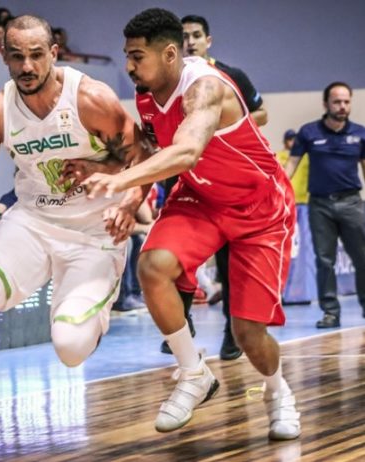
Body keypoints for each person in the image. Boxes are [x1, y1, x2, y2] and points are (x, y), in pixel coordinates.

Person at [0, 14, 148, 461]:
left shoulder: (92, 99)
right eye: (16, 56)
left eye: (36, 55)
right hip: (33, 222)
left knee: (71, 349)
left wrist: (127, 199)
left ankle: (91, 316)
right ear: (4, 57)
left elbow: (142, 156)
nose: (27, 66)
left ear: (53, 53)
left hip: (93, 230)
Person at [82, 8, 300, 440]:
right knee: (152, 266)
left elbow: (184, 153)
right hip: (200, 198)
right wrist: (132, 199)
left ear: (168, 54)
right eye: (126, 55)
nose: (128, 66)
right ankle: (193, 372)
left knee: (247, 332)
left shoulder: (205, 89)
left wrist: (117, 180)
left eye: (136, 56)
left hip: (258, 208)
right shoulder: (147, 93)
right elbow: (150, 152)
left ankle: (277, 391)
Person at [161, 14, 270, 361]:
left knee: (227, 262)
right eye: (184, 36)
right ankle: (181, 325)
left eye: (196, 35)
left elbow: (262, 113)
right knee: (175, 256)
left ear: (208, 40)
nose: (190, 41)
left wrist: (220, 128)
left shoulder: (229, 75)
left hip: (223, 179)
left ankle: (231, 331)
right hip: (182, 175)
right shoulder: (167, 80)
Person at [285, 82, 365, 328]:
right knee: (324, 260)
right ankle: (330, 311)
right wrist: (276, 192)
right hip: (320, 205)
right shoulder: (308, 133)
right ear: (326, 104)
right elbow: (290, 166)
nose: (342, 106)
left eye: (346, 102)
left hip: (352, 202)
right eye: (337, 102)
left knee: (362, 257)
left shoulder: (360, 134)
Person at [276, 129, 309, 205]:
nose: (293, 141)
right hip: (286, 198)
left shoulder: (306, 156)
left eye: (295, 139)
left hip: (303, 200)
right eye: (290, 139)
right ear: (285, 141)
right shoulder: (278, 156)